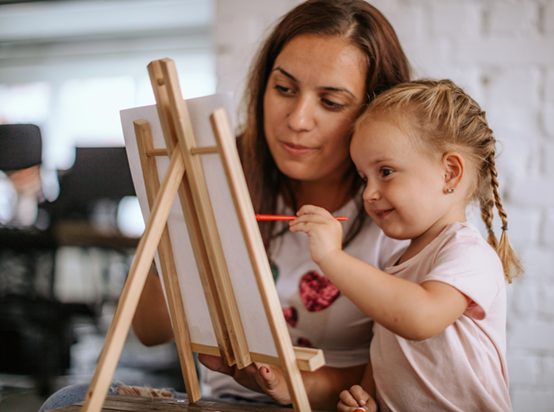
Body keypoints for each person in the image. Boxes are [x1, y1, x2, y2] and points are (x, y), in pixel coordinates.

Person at [38, 1, 411, 410]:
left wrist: (291, 384)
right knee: (70, 401)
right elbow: (149, 328)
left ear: (374, 110)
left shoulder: (395, 212)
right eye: (284, 89)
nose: (298, 119)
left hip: (322, 406)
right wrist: (176, 211)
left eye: (331, 102)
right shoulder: (222, 169)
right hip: (221, 403)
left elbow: (391, 379)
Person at [289, 79, 523, 411]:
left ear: (449, 174)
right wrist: (367, 397)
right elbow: (387, 349)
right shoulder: (399, 262)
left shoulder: (468, 253)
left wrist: (331, 257)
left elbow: (419, 317)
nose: (368, 193)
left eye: (385, 171)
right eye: (363, 178)